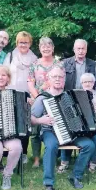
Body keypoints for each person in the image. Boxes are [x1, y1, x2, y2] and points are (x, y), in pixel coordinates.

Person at [31, 65, 95, 190]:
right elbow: (30, 118)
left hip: (71, 132)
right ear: (48, 78)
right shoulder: (43, 97)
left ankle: (75, 176)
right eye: (55, 76)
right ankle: (49, 184)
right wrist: (40, 120)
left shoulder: (70, 96)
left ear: (64, 79)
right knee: (51, 146)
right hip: (50, 131)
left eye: (60, 76)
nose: (58, 79)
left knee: (89, 145)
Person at [27, 37, 63, 168]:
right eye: (43, 46)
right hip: (38, 100)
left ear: (53, 48)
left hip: (55, 101)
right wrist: (38, 99)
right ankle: (36, 158)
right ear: (40, 48)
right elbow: (30, 83)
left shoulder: (59, 64)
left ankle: (56, 155)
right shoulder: (34, 64)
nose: (46, 48)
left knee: (55, 128)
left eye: (49, 46)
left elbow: (61, 82)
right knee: (35, 130)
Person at [4, 31, 38, 165]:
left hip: (26, 95)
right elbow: (4, 73)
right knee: (11, 123)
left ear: (30, 43)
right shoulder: (10, 56)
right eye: (20, 42)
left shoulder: (34, 58)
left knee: (24, 124)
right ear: (17, 43)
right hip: (10, 92)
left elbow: (35, 78)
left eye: (26, 42)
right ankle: (8, 152)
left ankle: (23, 153)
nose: (23, 44)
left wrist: (34, 96)